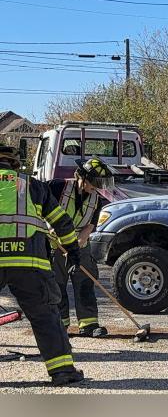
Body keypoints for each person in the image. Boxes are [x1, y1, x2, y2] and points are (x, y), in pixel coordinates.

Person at [0, 146, 85, 386]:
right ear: (15, 164)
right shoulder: (32, 185)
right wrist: (73, 250)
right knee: (45, 316)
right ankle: (62, 372)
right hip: (29, 262)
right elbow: (61, 222)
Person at [48, 157, 114, 338]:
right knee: (56, 285)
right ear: (81, 177)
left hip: (79, 245)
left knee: (85, 281)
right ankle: (60, 325)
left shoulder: (96, 200)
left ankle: (89, 324)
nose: (97, 187)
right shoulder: (56, 187)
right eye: (94, 182)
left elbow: (91, 225)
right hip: (55, 245)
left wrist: (81, 240)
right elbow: (39, 207)